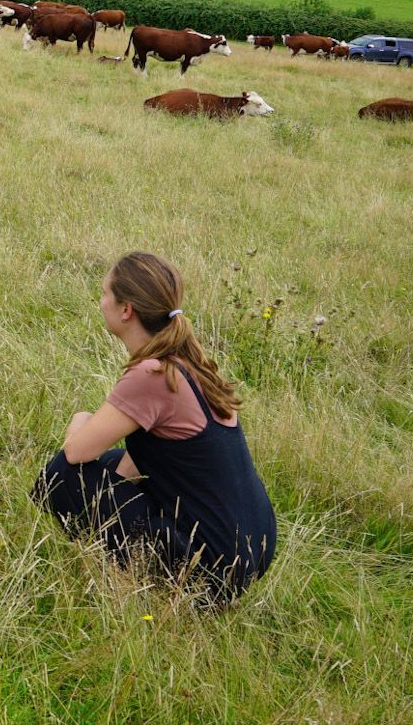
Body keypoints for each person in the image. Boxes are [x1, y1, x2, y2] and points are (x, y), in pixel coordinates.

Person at [33, 252, 276, 604]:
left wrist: (80, 419)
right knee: (110, 464)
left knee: (62, 475)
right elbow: (150, 457)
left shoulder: (153, 374)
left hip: (212, 569)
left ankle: (141, 583)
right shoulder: (187, 362)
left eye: (104, 293)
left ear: (126, 310)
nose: (100, 302)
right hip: (252, 546)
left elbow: (76, 452)